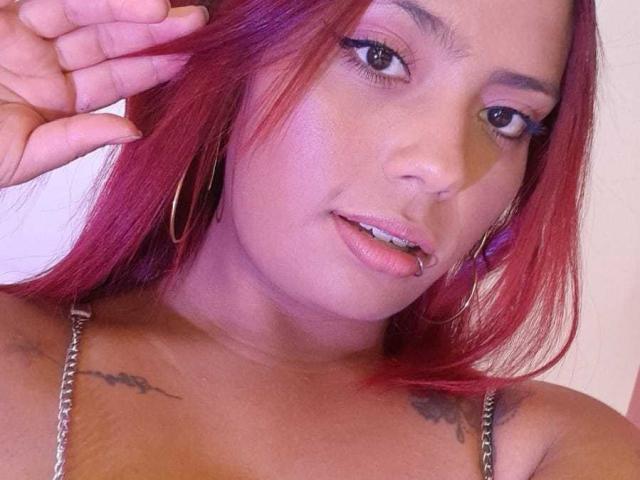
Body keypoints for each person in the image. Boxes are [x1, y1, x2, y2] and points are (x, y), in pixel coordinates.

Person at [0, 0, 639, 478]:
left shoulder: (548, 450)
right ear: (237, 54)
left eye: (505, 118)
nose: (444, 166)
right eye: (380, 57)